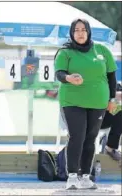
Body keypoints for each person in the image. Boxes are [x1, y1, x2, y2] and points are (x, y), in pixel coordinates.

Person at [54, 18, 117, 190]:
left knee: (91, 138)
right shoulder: (65, 52)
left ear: (88, 32)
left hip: (98, 102)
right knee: (77, 136)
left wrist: (112, 99)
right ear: (72, 33)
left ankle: (85, 177)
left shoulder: (102, 50)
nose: (80, 33)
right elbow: (59, 73)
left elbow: (111, 77)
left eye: (83, 30)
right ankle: (72, 176)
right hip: (72, 101)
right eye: (76, 30)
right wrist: (68, 78)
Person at [100, 83, 122, 162]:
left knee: (120, 112)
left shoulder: (113, 82)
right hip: (85, 116)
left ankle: (110, 147)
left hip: (103, 117)